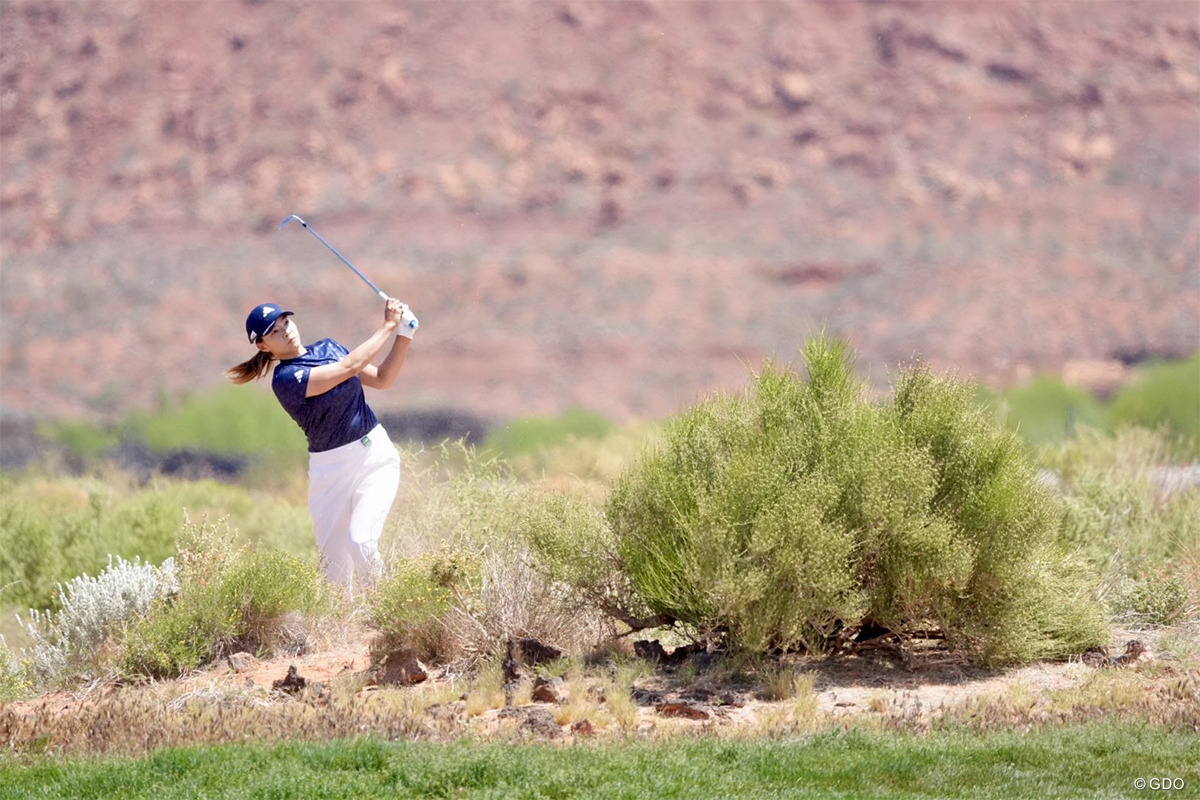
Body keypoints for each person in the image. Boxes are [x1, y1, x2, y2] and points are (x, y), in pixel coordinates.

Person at [226, 298, 417, 591]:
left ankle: (390, 614)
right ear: (263, 346)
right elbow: (348, 367)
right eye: (274, 332)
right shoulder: (287, 379)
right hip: (330, 473)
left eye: (285, 323)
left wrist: (404, 335)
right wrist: (389, 325)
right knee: (335, 580)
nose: (286, 331)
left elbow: (382, 379)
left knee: (361, 540)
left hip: (373, 457)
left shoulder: (329, 346)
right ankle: (347, 632)